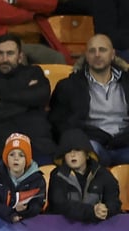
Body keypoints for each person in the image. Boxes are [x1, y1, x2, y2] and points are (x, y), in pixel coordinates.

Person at [0, 33, 56, 166]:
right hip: (1, 151)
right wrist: (27, 102)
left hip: (39, 149)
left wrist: (1, 98)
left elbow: (41, 95)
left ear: (19, 56)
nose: (4, 59)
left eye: (10, 53)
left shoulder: (34, 72)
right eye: (0, 53)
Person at [49, 34, 129, 167]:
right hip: (91, 144)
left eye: (102, 50)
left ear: (113, 54)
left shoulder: (127, 81)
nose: (97, 55)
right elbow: (59, 123)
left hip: (125, 144)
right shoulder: (68, 86)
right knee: (84, 151)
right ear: (86, 55)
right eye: (92, 51)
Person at [47, 129, 123, 222]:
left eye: (78, 150)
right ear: (63, 156)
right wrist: (92, 211)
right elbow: (59, 205)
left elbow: (114, 201)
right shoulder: (57, 175)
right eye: (68, 151)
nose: (73, 154)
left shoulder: (103, 174)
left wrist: (106, 210)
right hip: (62, 229)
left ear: (87, 155)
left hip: (97, 228)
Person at [0, 0, 70, 65]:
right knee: (19, 59)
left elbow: (49, 4)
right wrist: (33, 12)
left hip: (39, 39)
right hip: (4, 41)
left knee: (58, 59)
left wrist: (13, 1)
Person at [0, 133, 47, 223]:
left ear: (27, 160)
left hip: (27, 226)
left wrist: (26, 209)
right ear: (6, 158)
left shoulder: (38, 180)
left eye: (21, 155)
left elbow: (38, 204)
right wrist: (11, 213)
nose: (16, 158)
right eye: (12, 154)